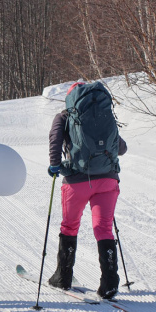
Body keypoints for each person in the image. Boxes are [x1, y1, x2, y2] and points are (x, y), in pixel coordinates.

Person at [47, 81, 128, 299]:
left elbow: (55, 139)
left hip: (77, 181)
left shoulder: (64, 116)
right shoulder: (103, 116)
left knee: (70, 226)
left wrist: (55, 164)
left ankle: (63, 277)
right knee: (103, 228)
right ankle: (110, 283)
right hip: (108, 181)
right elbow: (122, 148)